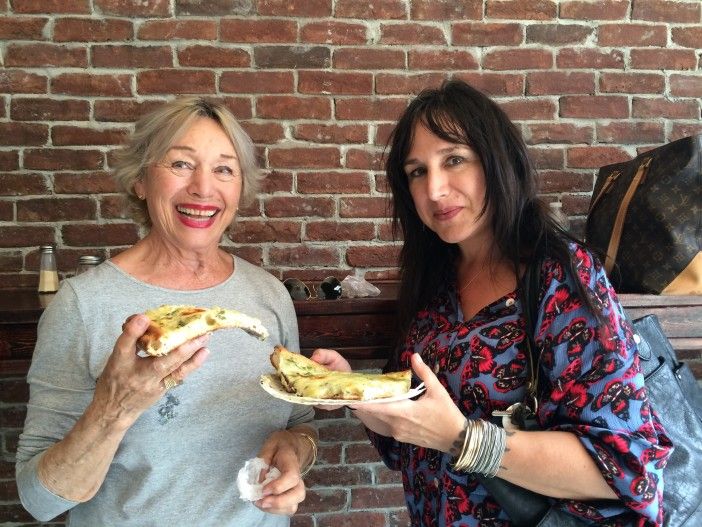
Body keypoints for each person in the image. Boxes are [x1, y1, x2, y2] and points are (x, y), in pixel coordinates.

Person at [312, 80, 672, 526]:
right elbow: (413, 431)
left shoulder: (559, 276)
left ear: (498, 162)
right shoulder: (433, 285)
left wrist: (462, 439)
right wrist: (352, 390)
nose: (435, 190)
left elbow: (629, 469)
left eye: (455, 160)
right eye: (417, 171)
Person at [15, 97, 317, 526]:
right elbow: (38, 500)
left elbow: (301, 421)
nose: (203, 187)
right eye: (180, 164)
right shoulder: (83, 304)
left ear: (239, 189)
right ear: (140, 180)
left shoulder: (268, 295)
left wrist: (294, 450)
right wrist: (114, 409)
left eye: (224, 169)